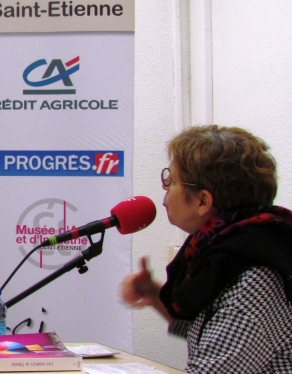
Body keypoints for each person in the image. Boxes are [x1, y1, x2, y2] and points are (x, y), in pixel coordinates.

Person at [120, 125, 292, 373]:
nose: (164, 188)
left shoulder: (253, 276)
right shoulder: (229, 252)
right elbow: (211, 335)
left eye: (171, 180)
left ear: (202, 201)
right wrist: (155, 296)